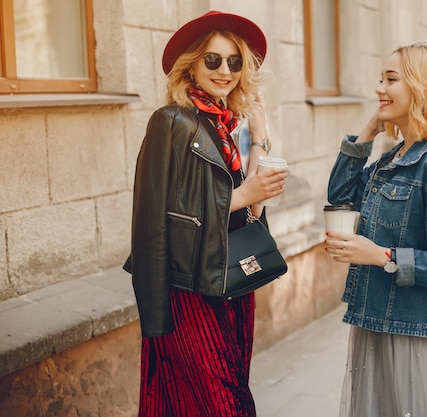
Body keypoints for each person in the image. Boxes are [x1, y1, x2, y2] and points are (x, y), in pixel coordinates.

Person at [124, 10, 287, 416]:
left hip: (231, 281)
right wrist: (155, 314)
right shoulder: (170, 122)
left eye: (234, 61)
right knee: (226, 402)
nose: (225, 70)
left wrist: (261, 135)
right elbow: (153, 216)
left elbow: (252, 207)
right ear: (191, 64)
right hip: (190, 288)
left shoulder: (226, 126)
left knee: (197, 398)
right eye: (212, 60)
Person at [325, 42, 427, 417]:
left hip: (414, 332)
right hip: (373, 321)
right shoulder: (390, 160)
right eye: (381, 79)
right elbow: (340, 196)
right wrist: (368, 131)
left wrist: (378, 256)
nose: (379, 87)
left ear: (422, 88)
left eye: (391, 79)